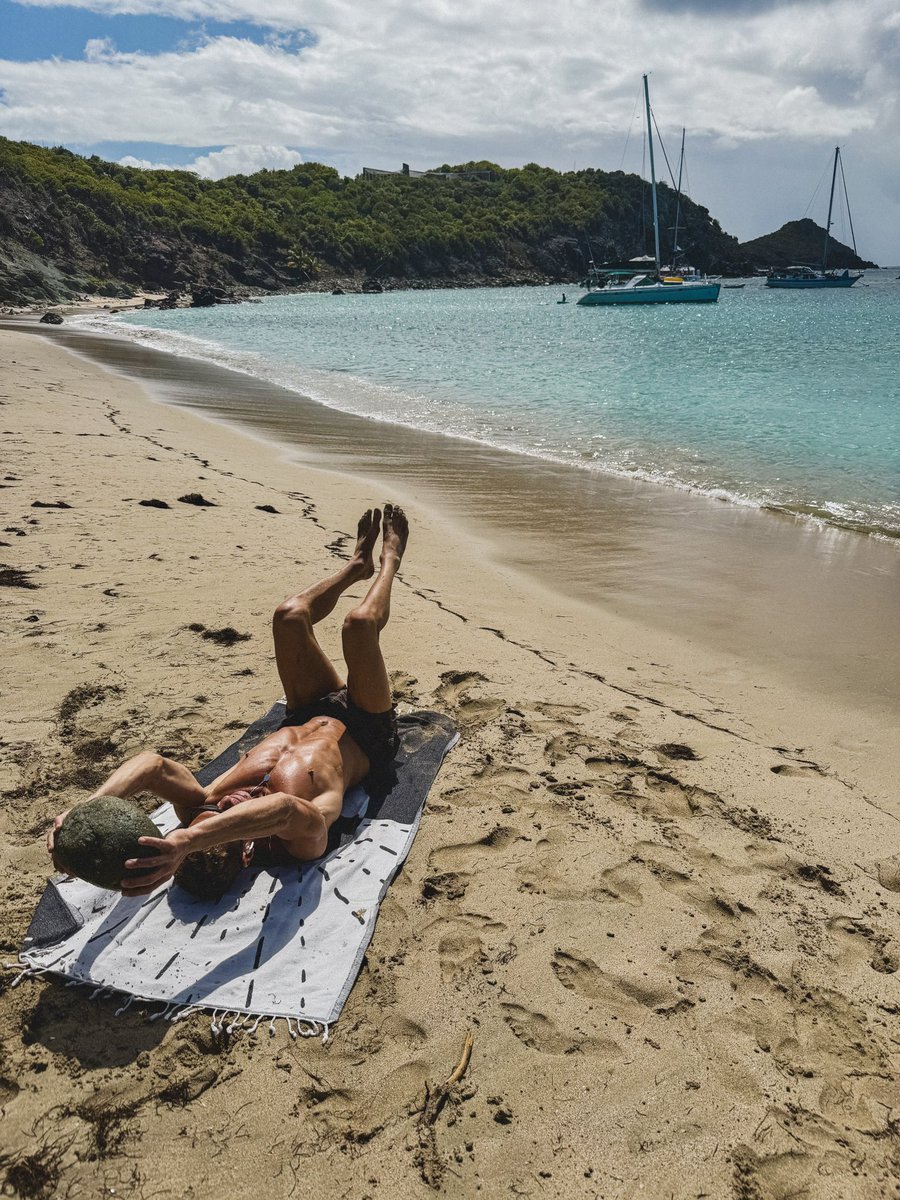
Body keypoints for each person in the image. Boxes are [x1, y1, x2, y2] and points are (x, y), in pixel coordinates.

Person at [47, 503, 408, 898]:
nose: (222, 806)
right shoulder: (300, 837)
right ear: (248, 845)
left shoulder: (204, 802)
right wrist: (196, 840)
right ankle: (390, 561)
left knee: (288, 615)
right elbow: (284, 808)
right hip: (367, 731)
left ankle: (357, 566)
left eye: (208, 817)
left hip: (307, 710)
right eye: (222, 819)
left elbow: (151, 766)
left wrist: (84, 812)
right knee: (359, 626)